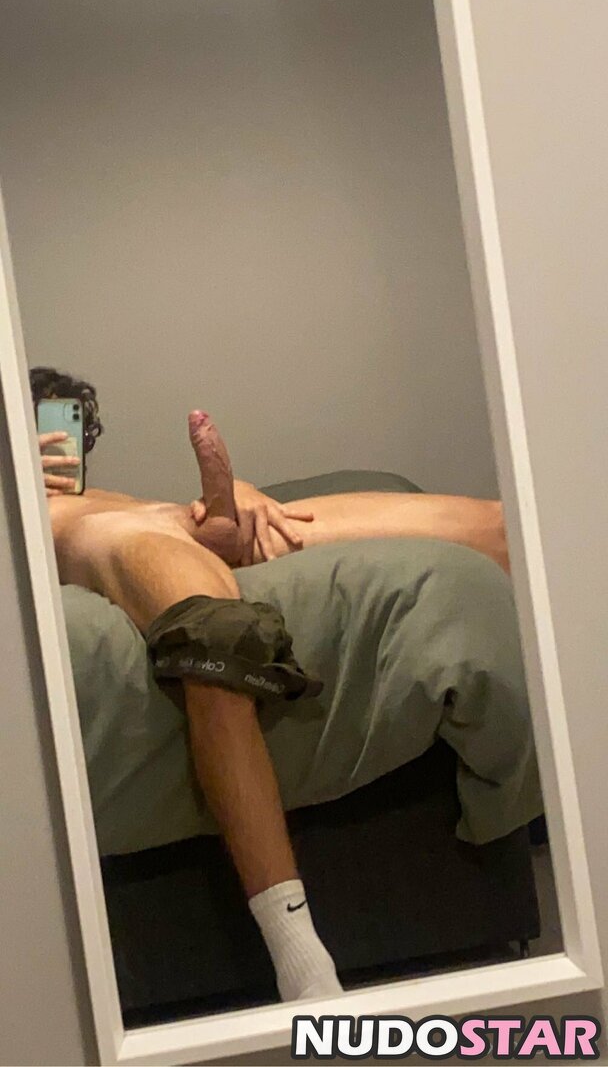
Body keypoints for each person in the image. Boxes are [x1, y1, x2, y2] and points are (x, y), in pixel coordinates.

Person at [32, 366, 509, 1002]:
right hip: (117, 542)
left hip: (192, 526)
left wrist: (233, 501)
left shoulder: (104, 494)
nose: (60, 445)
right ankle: (302, 963)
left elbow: (189, 521)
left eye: (67, 428)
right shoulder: (37, 514)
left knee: (503, 529)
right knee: (215, 640)